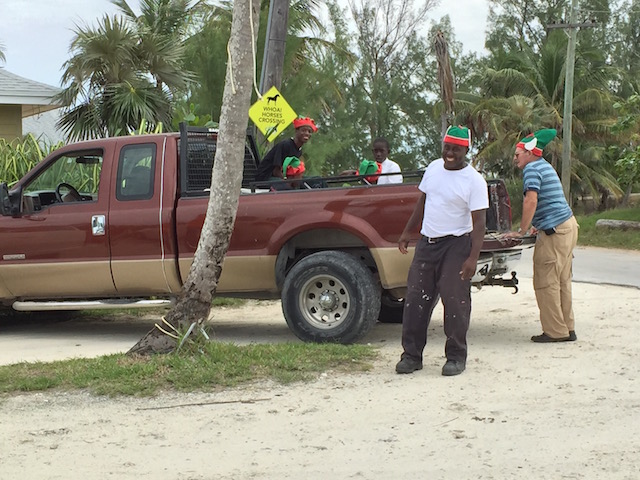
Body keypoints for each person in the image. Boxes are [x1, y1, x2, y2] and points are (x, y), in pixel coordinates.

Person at [395, 125, 488, 376]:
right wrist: (407, 232)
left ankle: (456, 356)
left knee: (454, 301)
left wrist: (472, 258)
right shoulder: (434, 168)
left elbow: (479, 223)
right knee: (415, 300)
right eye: (447, 147)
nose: (450, 153)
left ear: (465, 150)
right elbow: (423, 202)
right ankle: (411, 355)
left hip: (456, 245)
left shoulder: (474, 181)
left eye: (456, 149)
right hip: (427, 243)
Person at [503, 129, 579, 343]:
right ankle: (567, 327)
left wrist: (522, 230)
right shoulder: (545, 166)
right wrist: (537, 224)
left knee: (546, 281)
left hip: (555, 231)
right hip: (568, 225)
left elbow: (531, 201)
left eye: (518, 154)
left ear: (529, 153)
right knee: (562, 280)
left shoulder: (532, 169)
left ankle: (555, 332)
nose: (515, 158)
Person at [255, 117, 317, 183]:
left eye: (309, 131)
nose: (307, 133)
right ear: (296, 131)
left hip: (282, 178)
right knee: (289, 185)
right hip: (266, 178)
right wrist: (287, 181)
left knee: (315, 180)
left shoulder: (299, 151)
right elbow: (276, 171)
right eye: (303, 130)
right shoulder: (285, 145)